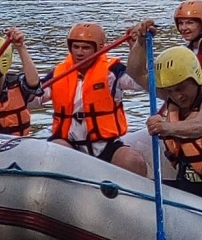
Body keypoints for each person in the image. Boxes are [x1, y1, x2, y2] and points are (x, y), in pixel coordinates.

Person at [116, 46, 202, 206]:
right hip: (190, 177)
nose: (177, 95)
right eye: (170, 91)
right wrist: (141, 41)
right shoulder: (170, 93)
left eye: (181, 88)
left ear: (196, 78)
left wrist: (167, 127)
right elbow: (136, 72)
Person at [45, 21, 142, 160]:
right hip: (69, 145)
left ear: (99, 48)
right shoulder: (58, 74)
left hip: (105, 145)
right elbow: (34, 99)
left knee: (132, 160)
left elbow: (139, 82)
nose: (79, 53)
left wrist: (137, 49)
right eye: (75, 47)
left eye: (85, 48)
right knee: (55, 149)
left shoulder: (112, 72)